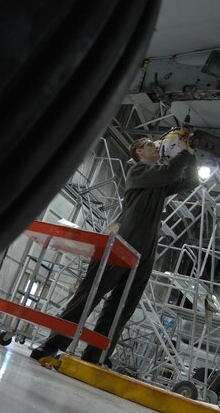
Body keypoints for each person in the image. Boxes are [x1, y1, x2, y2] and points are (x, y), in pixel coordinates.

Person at [30, 133, 200, 364]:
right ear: (139, 152)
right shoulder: (138, 172)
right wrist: (180, 154)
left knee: (123, 306)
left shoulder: (159, 183)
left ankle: (96, 355)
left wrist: (190, 154)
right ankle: (52, 344)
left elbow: (190, 181)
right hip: (123, 242)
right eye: (151, 145)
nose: (156, 148)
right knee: (90, 294)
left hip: (145, 249)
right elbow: (169, 172)